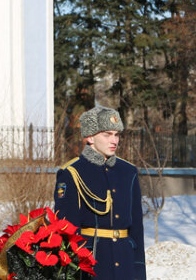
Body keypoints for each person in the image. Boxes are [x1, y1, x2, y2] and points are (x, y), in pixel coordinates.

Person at [54, 106, 146, 279]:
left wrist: (139, 272)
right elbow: (66, 230)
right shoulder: (72, 173)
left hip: (125, 263)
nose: (114, 140)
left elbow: (136, 230)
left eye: (117, 134)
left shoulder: (128, 172)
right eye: (107, 134)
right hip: (92, 265)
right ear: (90, 137)